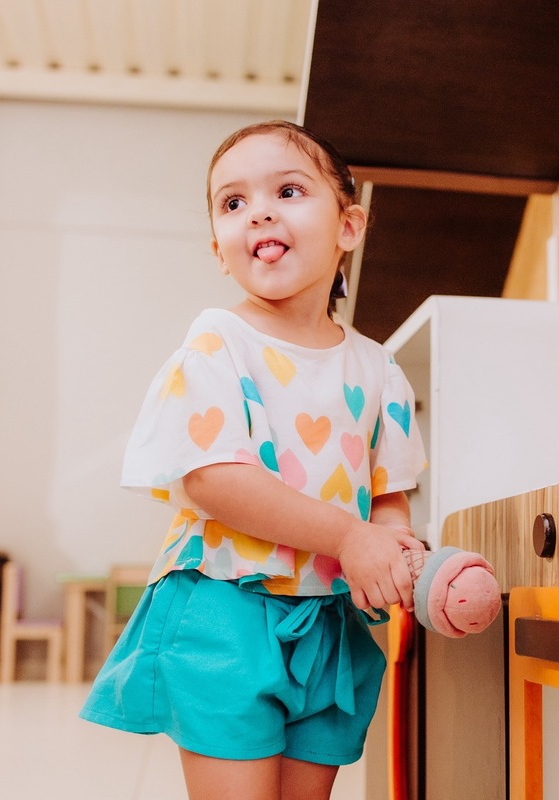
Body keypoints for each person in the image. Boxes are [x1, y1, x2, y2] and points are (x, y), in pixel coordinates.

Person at [80, 120, 428, 800]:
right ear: (221, 250)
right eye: (233, 203)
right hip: (226, 609)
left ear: (349, 227)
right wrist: (350, 537)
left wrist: (391, 549)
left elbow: (388, 494)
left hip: (328, 620)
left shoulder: (379, 369)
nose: (259, 211)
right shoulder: (219, 343)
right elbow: (213, 479)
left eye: (289, 190)